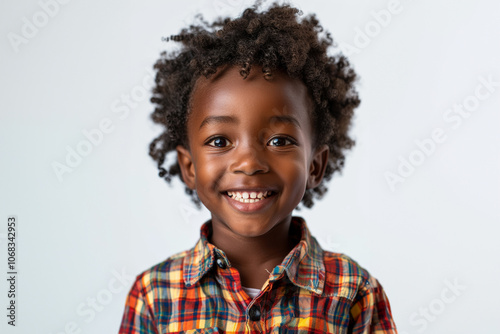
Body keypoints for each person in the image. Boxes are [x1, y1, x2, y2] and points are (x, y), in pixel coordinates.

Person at [119, 1, 398, 333]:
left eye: (279, 141)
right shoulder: (154, 295)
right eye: (220, 141)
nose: (249, 163)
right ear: (189, 166)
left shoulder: (354, 293)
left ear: (315, 166)